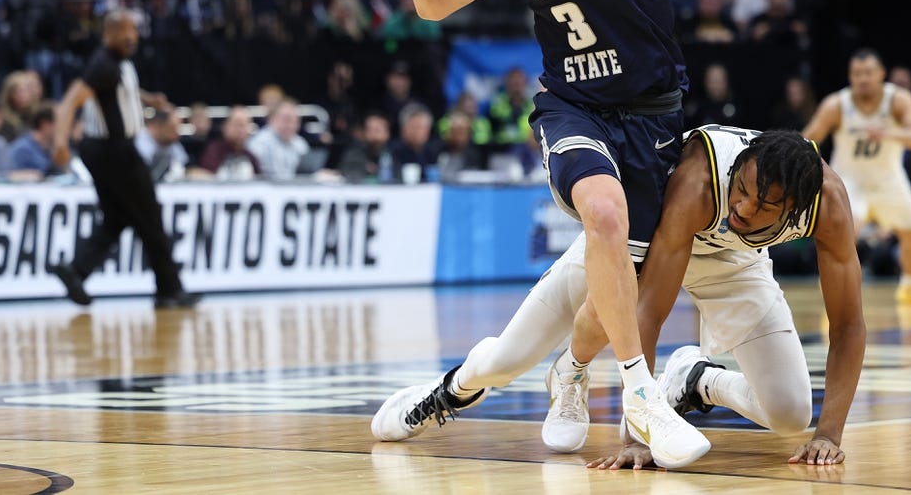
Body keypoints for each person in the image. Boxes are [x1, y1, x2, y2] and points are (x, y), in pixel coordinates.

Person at [372, 0, 704, 466]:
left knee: (568, 323)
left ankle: (555, 373)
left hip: (650, 121)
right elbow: (432, 0)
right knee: (604, 215)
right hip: (573, 107)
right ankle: (640, 394)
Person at [370, 128, 864, 468]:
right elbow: (647, 308)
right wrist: (639, 438)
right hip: (642, 245)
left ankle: (696, 382)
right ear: (740, 168)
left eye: (763, 206)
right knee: (508, 358)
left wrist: (830, 435)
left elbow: (846, 327)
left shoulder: (831, 206)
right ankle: (444, 393)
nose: (742, 207)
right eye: (742, 190)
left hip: (737, 264)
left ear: (798, 207)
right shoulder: (699, 182)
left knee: (792, 415)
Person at [48, 9, 201, 309]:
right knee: (151, 217)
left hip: (107, 151)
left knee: (117, 218)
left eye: (133, 30)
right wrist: (60, 142)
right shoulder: (102, 64)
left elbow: (121, 89)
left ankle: (76, 270)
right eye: (123, 30)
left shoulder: (119, 63)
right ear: (107, 34)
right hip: (114, 150)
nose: (130, 36)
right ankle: (169, 290)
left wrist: (147, 99)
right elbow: (68, 103)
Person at [802, 49, 911, 304]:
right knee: (843, 232)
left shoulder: (898, 100)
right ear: (850, 76)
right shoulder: (836, 104)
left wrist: (888, 133)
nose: (862, 79)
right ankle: (836, 291)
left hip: (888, 179)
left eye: (868, 73)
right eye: (856, 74)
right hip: (849, 181)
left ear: (881, 74)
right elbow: (807, 140)